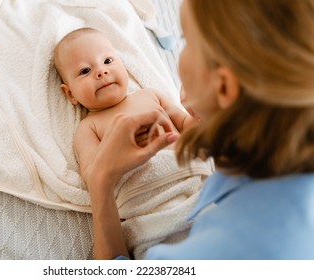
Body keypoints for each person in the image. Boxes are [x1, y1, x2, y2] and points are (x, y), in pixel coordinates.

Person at [84, 0, 314, 260]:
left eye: (187, 41)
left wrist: (100, 179)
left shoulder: (220, 253)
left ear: (224, 87)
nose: (101, 72)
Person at [52, 27, 197, 184]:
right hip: (146, 192)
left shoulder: (151, 96)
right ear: (71, 94)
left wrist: (201, 117)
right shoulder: (88, 128)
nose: (101, 71)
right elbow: (92, 174)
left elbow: (185, 124)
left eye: (107, 61)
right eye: (85, 70)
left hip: (191, 171)